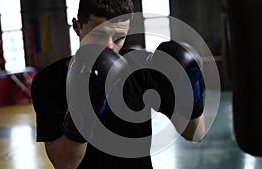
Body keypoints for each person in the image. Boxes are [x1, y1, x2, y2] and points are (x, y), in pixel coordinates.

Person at [31, 0, 205, 168]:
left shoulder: (141, 69)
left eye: (119, 37)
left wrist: (192, 92)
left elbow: (194, 134)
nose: (109, 46)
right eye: (98, 34)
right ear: (77, 27)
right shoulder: (49, 82)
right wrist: (84, 105)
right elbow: (65, 164)